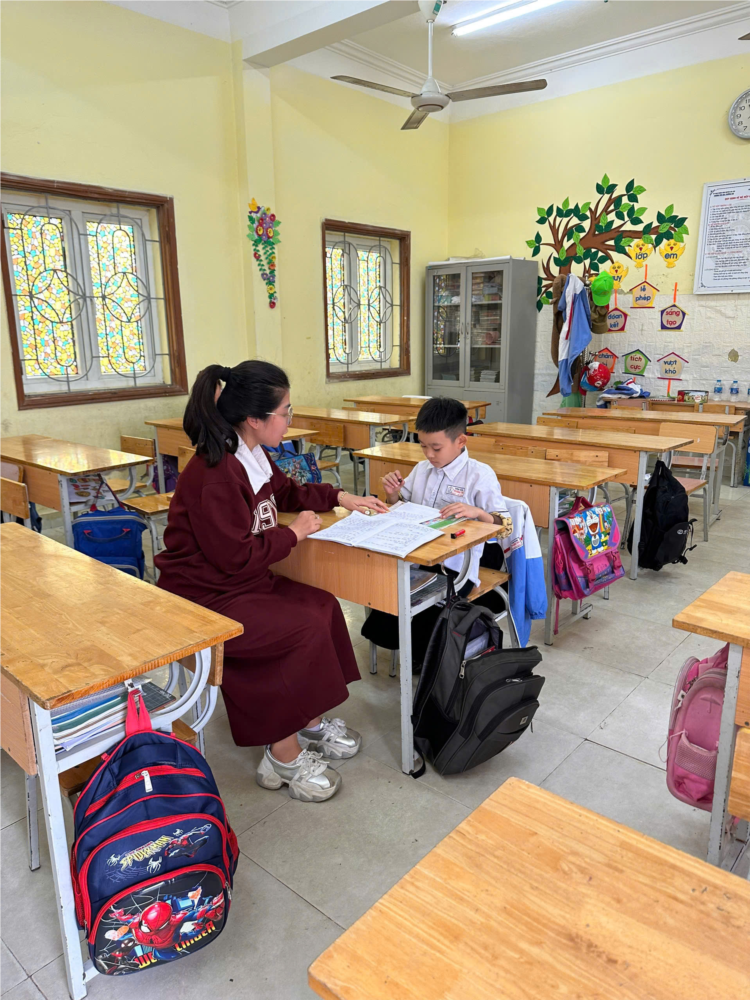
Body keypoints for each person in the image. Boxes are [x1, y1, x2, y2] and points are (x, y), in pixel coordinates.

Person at [156, 361, 388, 803]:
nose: (290, 420)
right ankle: (281, 757)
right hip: (203, 595)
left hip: (241, 582)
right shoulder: (214, 474)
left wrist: (341, 496)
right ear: (254, 419)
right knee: (294, 629)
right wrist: (293, 534)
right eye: (285, 412)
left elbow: (287, 492)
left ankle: (309, 721)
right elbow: (233, 557)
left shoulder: (250, 453)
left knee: (322, 606)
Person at [361, 397, 513, 660]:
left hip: (457, 568)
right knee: (385, 602)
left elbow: (505, 526)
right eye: (423, 446)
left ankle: (423, 657)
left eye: (436, 448)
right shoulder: (422, 469)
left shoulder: (479, 475)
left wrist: (478, 513)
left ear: (461, 441)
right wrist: (392, 494)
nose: (429, 454)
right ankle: (410, 649)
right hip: (417, 557)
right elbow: (402, 506)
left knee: (422, 618)